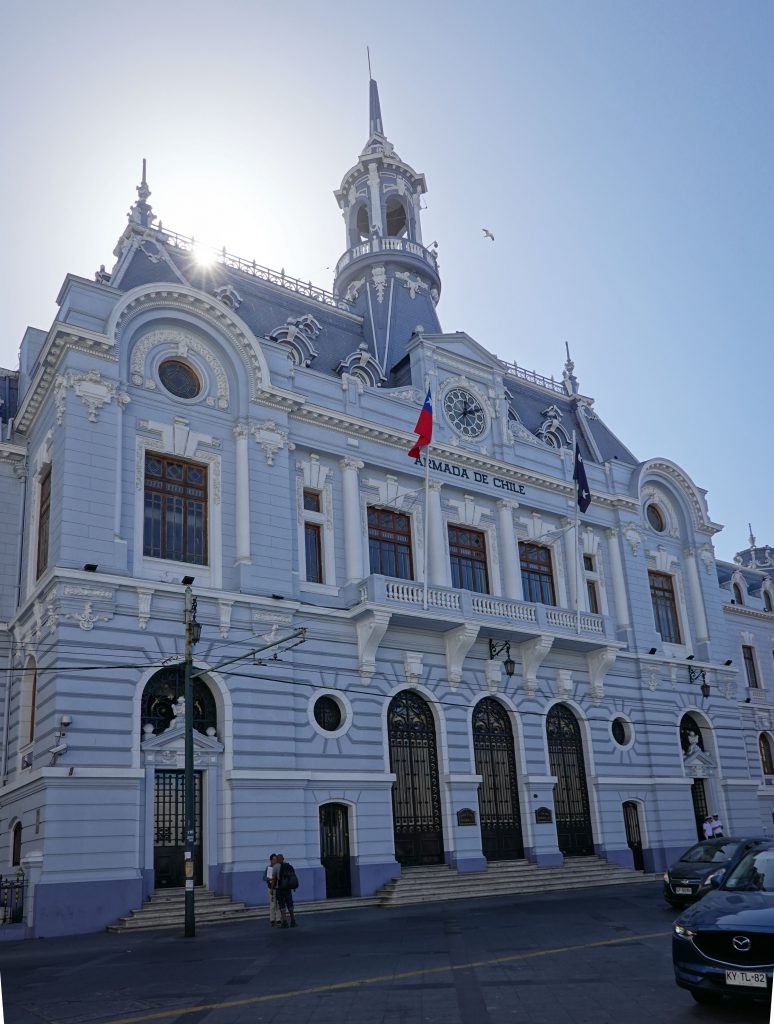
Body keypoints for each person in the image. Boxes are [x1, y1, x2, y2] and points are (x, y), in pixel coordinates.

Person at [275, 853, 298, 929]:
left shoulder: (276, 866)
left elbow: (273, 878)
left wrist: (272, 889)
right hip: (288, 888)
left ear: (278, 859)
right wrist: (293, 887)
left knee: (282, 905)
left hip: (279, 888)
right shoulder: (288, 866)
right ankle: (293, 921)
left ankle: (284, 922)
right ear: (283, 859)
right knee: (290, 904)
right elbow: (293, 877)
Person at [265, 853, 281, 927]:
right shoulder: (269, 868)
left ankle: (278, 919)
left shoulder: (278, 867)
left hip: (278, 888)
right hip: (271, 888)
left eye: (276, 859)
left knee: (278, 904)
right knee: (272, 905)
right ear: (271, 860)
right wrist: (272, 879)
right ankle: (272, 919)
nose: (275, 860)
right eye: (274, 859)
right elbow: (267, 879)